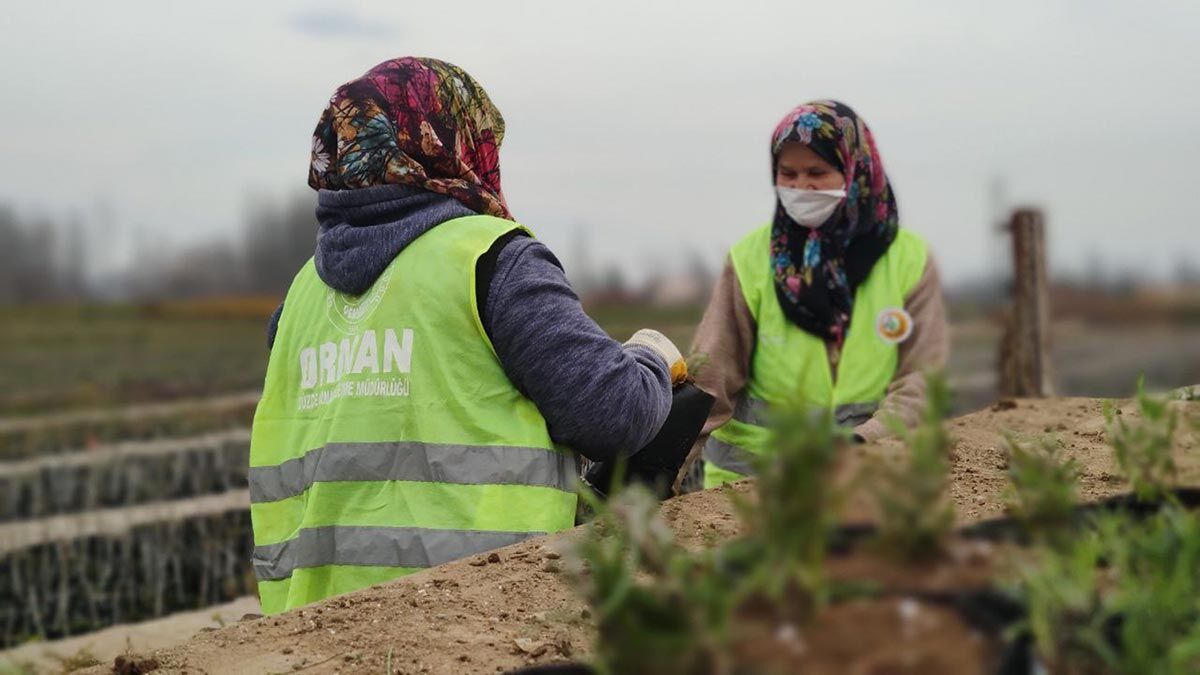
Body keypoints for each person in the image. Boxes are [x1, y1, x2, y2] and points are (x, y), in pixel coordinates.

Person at [249, 57, 685, 615]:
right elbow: (610, 411)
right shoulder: (491, 259)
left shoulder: (299, 298)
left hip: (319, 629)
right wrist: (650, 357)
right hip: (472, 622)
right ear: (452, 143)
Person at [684, 100, 948, 489]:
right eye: (786, 174)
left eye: (816, 173)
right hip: (744, 494)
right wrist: (658, 474)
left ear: (856, 171)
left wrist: (863, 440)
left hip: (864, 481)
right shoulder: (750, 260)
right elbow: (708, 381)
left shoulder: (908, 260)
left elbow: (921, 380)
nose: (800, 187)